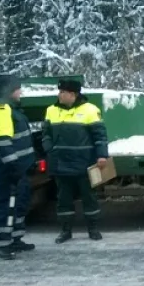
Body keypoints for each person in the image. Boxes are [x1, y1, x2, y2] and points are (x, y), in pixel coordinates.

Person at [43, 79, 109, 243]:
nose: (59, 95)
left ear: (73, 94)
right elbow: (46, 134)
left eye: (62, 92)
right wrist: (49, 148)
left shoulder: (90, 110)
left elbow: (100, 136)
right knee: (63, 199)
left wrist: (102, 155)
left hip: (84, 164)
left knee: (89, 197)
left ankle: (93, 229)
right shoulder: (51, 110)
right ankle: (66, 231)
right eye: (59, 92)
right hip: (61, 164)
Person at [0, 75, 36, 260]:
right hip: (6, 169)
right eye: (18, 89)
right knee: (5, 205)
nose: (20, 92)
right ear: (10, 91)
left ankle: (15, 238)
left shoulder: (12, 109)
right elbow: (1, 141)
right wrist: (13, 165)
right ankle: (3, 243)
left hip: (18, 168)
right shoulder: (1, 110)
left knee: (19, 203)